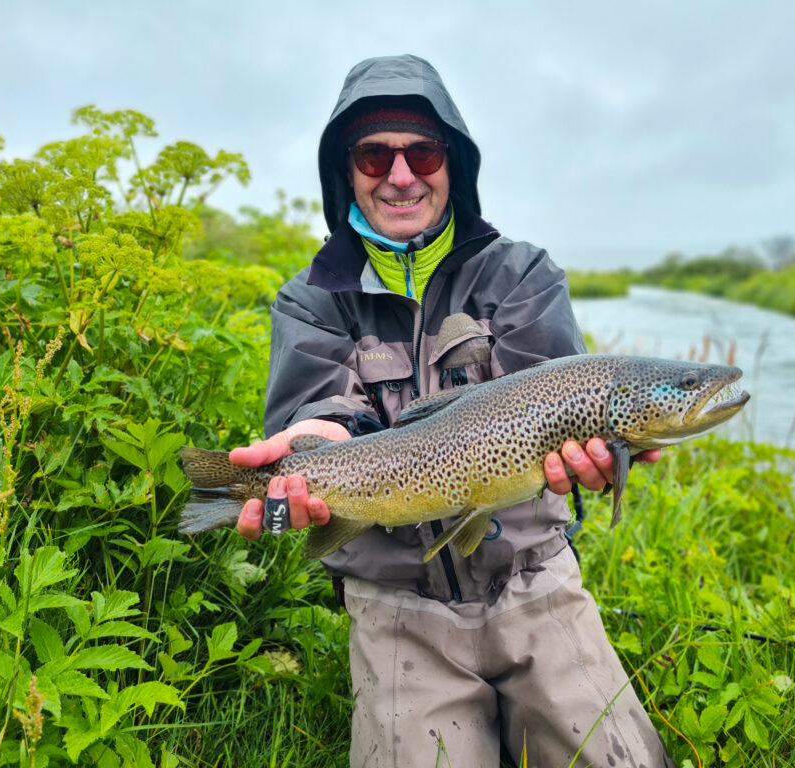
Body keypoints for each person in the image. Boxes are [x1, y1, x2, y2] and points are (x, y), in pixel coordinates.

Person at [229, 54, 676, 768]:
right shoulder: (311, 299)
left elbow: (549, 394)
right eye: (375, 155)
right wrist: (308, 451)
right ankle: (214, 496)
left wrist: (600, 456)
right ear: (345, 170)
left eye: (422, 151)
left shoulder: (522, 274)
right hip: (394, 599)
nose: (400, 175)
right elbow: (322, 412)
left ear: (453, 163)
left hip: (534, 577)